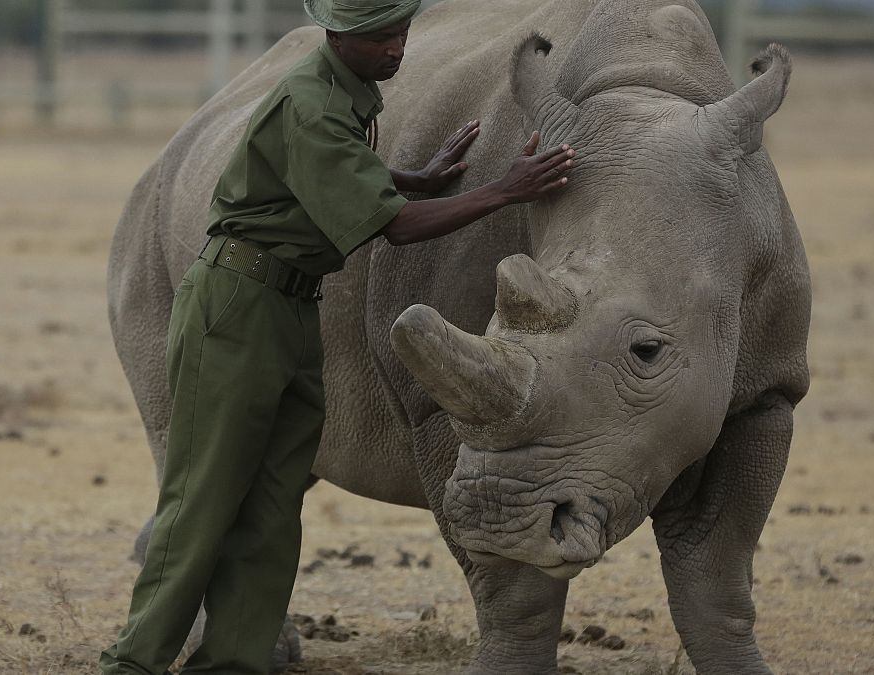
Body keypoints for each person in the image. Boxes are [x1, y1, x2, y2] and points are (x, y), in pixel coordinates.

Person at [99, 0, 576, 672]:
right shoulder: (308, 100)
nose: (395, 49)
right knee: (203, 500)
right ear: (336, 36)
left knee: (273, 501)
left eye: (401, 34)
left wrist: (413, 178)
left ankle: (234, 660)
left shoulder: (345, 93)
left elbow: (321, 178)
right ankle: (132, 661)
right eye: (380, 37)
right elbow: (396, 227)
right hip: (238, 305)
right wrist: (503, 190)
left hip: (292, 304)